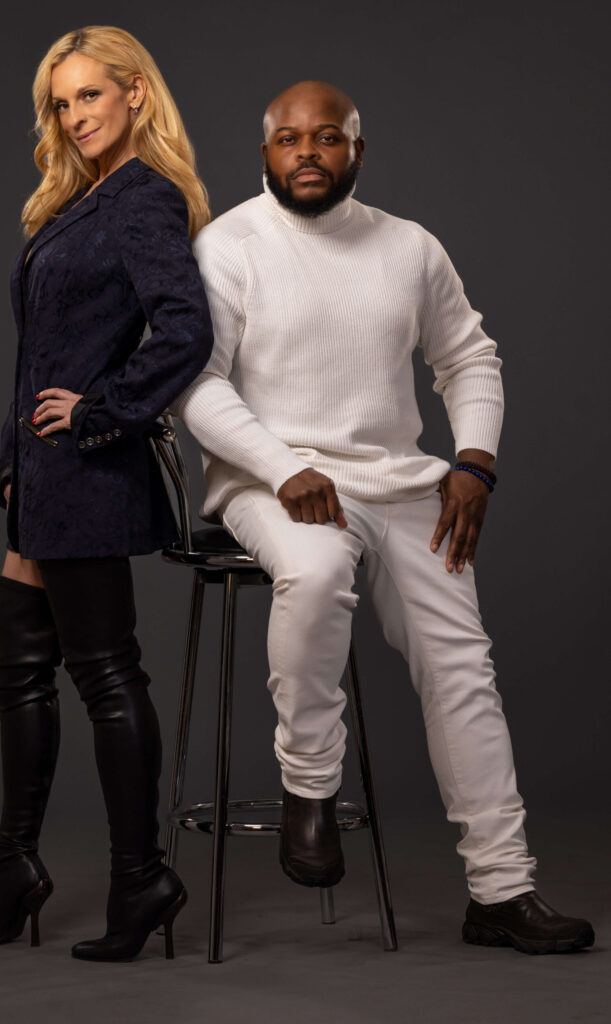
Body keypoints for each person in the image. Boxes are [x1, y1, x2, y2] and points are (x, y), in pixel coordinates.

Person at [173, 81, 594, 954]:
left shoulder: (408, 247)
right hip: (272, 480)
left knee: (460, 666)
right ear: (264, 154)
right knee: (319, 570)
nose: (307, 152)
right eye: (288, 139)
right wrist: (285, 467)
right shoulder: (231, 246)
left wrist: (473, 462)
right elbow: (197, 383)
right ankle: (309, 790)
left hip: (401, 485)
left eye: (328, 137)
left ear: (357, 151)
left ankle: (501, 890)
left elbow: (469, 358)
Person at [0, 26, 213, 962]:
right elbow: (39, 354)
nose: (73, 116)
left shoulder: (141, 199)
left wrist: (105, 413)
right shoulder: (78, 200)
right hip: (44, 476)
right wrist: (12, 453)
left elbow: (184, 332)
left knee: (104, 673)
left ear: (136, 93)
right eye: (61, 103)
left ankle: (140, 879)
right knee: (15, 665)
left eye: (89, 97)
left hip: (91, 473)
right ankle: (15, 867)